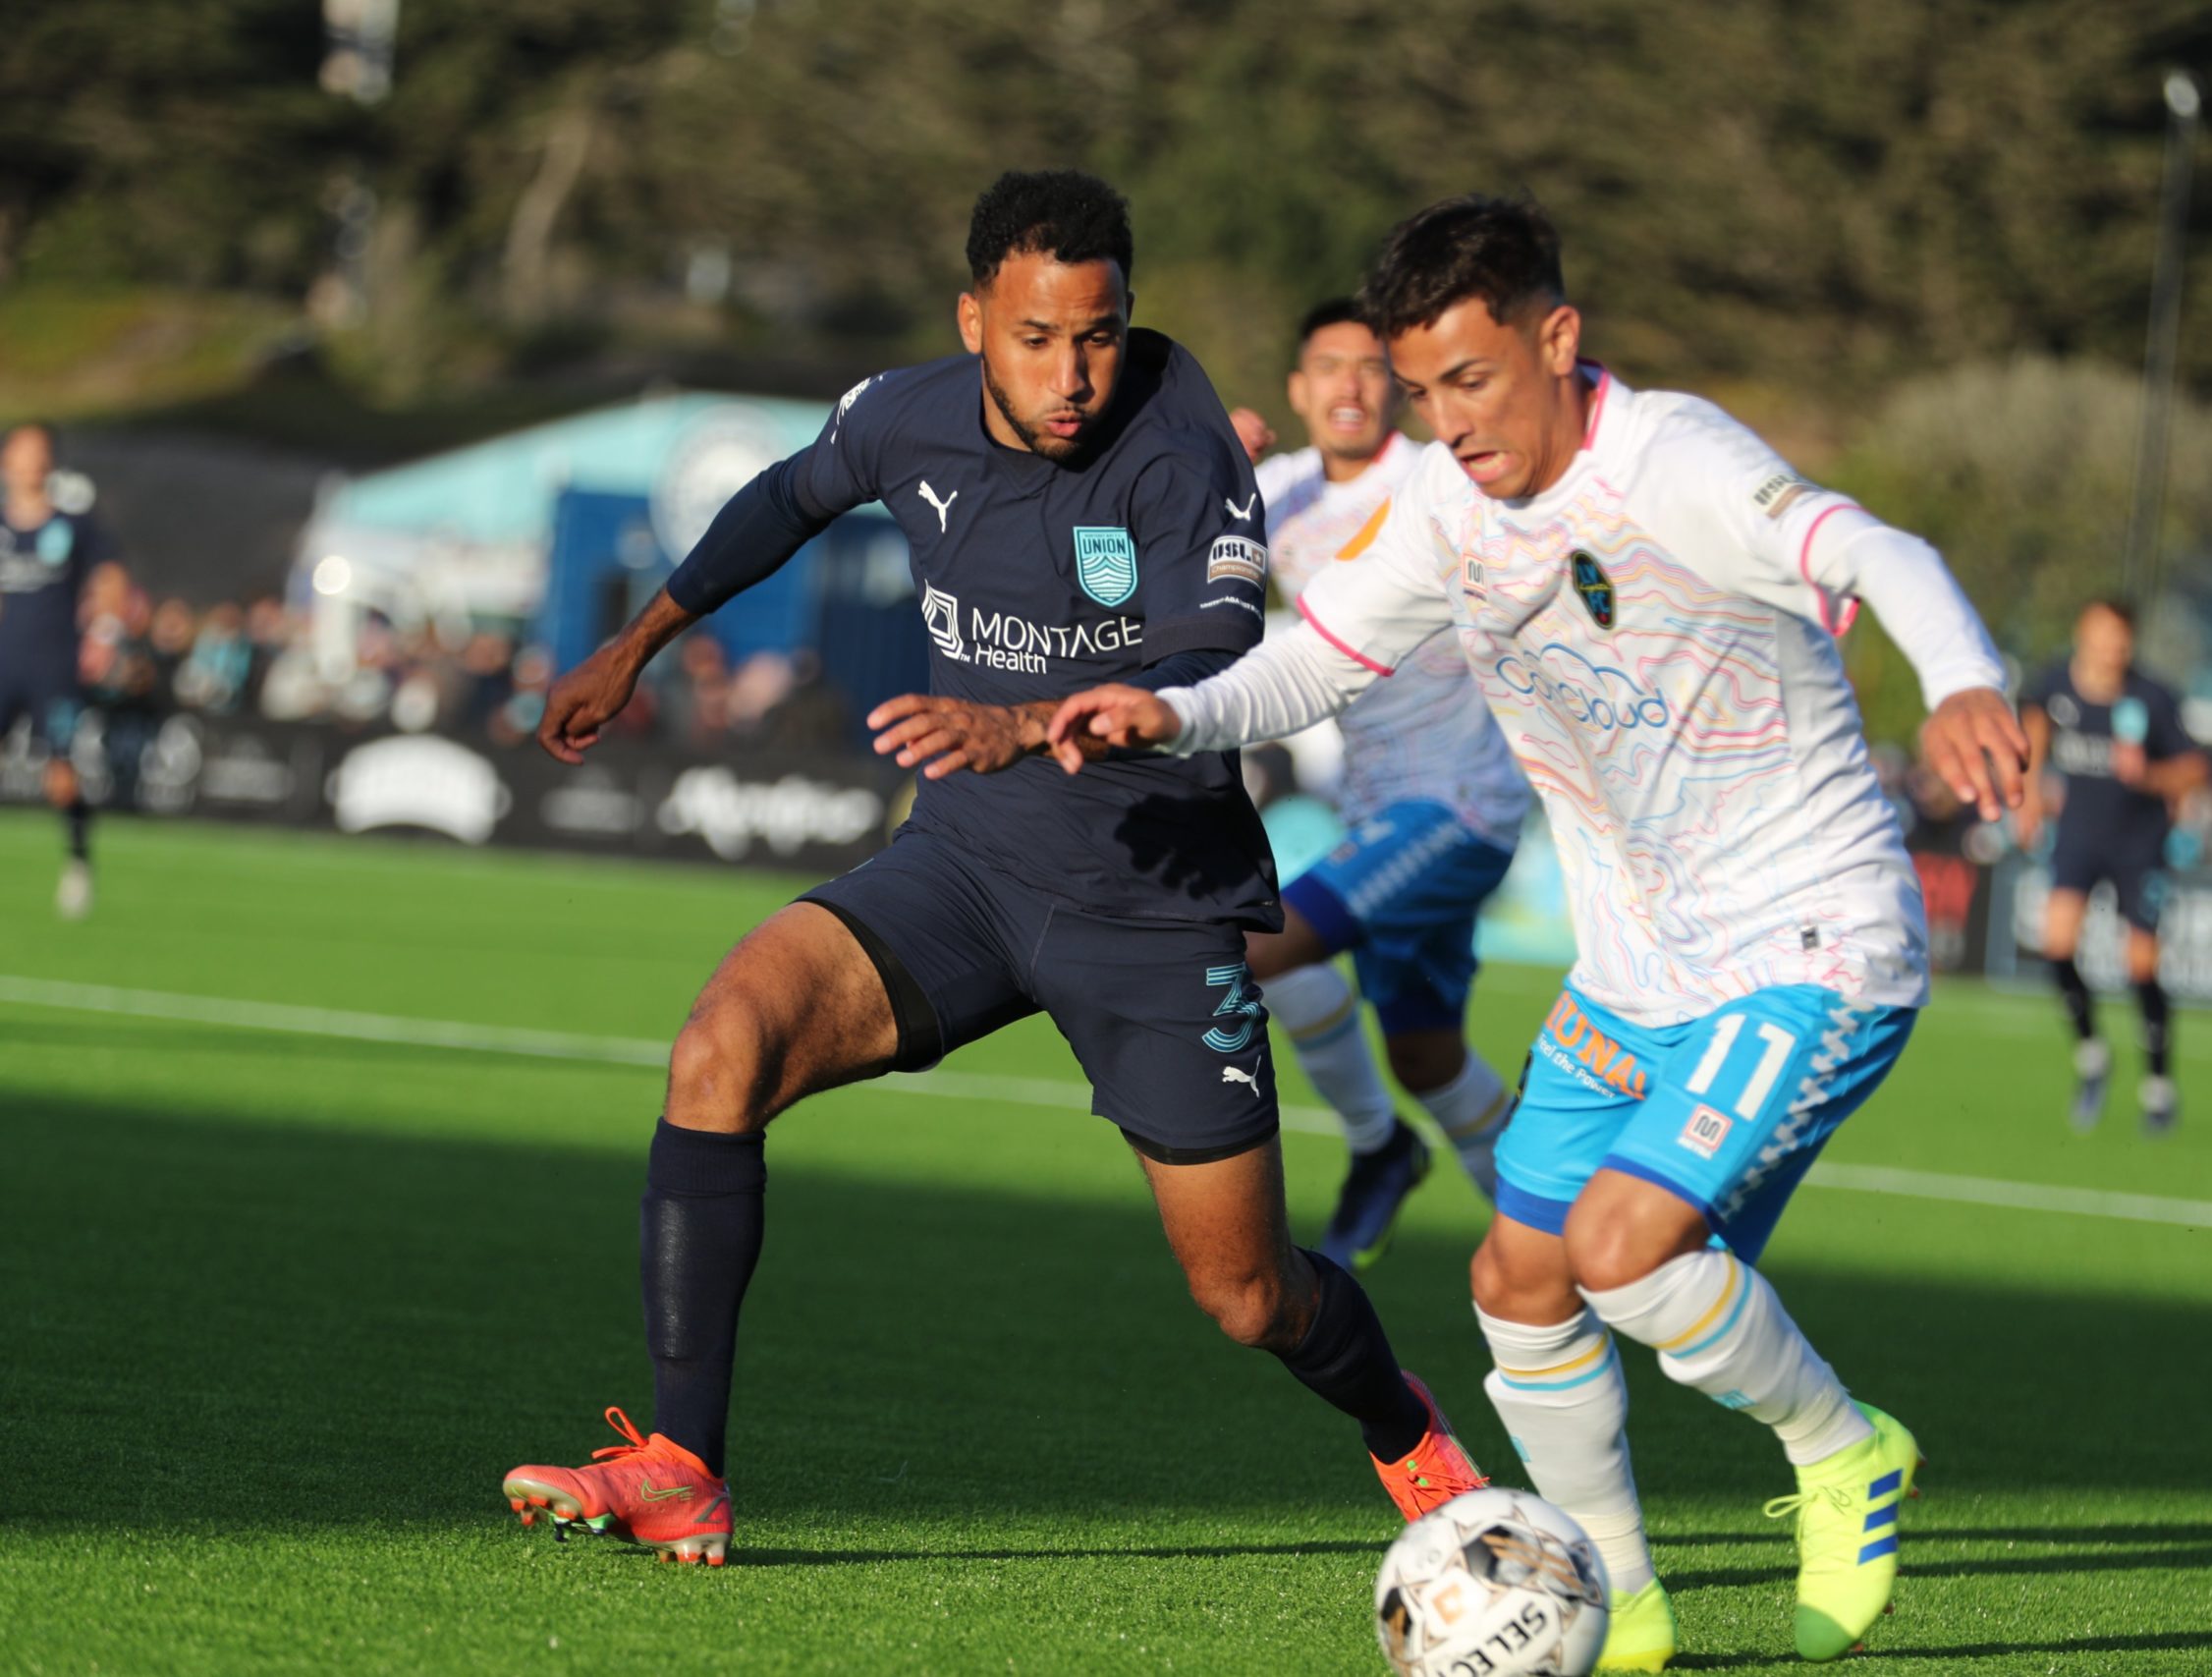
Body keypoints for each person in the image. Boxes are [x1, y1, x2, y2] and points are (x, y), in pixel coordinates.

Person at [1042, 197, 2027, 1666]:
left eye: (1476, 380)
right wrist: (1175, 710)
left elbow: (1874, 546)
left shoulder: (1676, 463)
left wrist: (1959, 677)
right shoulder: (1446, 503)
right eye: (1425, 392)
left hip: (1811, 940)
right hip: (1635, 971)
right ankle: (1617, 1601)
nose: (1451, 422)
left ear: (1557, 338)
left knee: (1623, 1247)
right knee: (1516, 1276)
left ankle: (1844, 1447)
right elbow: (1315, 659)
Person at [500, 171, 1483, 1567]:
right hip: (965, 866)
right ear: (975, 320)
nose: (1074, 373)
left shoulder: (1180, 440)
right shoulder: (902, 412)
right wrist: (638, 640)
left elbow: (1211, 660)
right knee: (720, 1046)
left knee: (1250, 1297)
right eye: (1037, 337)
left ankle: (1409, 1432)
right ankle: (684, 1464)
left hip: (1153, 904)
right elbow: (784, 498)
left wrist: (1023, 719)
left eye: (1100, 332)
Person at [1230, 299, 1532, 1271]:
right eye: (1328, 367)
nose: (1349, 388)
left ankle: (1375, 1145)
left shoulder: (1439, 478)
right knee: (1427, 1056)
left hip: (1461, 805)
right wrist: (1203, 461)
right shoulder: (1273, 495)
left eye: (1370, 369)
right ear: (1297, 389)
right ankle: (1560, 1246)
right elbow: (1141, 528)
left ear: (1397, 388)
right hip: (1378, 814)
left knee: (1256, 945)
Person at [2016, 598, 2210, 1134]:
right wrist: (2029, 795)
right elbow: (2033, 726)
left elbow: (2196, 769)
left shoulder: (2153, 697)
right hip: (2078, 837)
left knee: (2142, 967)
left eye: (2121, 637)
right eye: (2102, 635)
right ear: (2083, 634)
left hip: (2139, 845)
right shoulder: (2055, 684)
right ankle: (2092, 1054)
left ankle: (2158, 1085)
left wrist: (2148, 776)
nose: (2111, 647)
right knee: (2056, 944)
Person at [0, 423, 109, 919]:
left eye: (40, 454)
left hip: (54, 666)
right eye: (23, 454)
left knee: (60, 777)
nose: (32, 463)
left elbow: (111, 575)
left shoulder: (73, 525)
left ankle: (78, 863)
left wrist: (104, 634)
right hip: (4, 662)